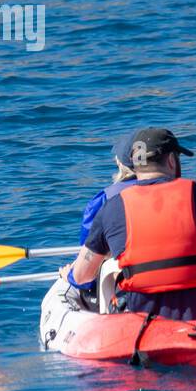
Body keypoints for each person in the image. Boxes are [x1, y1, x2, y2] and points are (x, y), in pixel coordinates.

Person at [63, 128, 196, 321]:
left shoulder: (112, 208)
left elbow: (82, 276)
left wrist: (69, 274)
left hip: (141, 320)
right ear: (171, 160)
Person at [66, 132, 140, 309]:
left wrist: (70, 276)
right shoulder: (174, 192)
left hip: (125, 282)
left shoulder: (103, 200)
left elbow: (89, 250)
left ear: (119, 164)